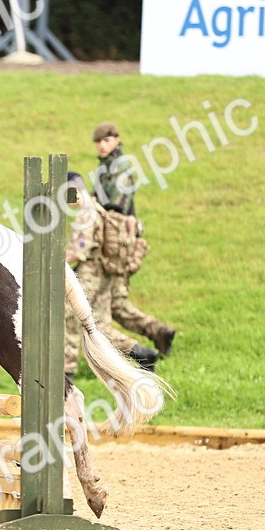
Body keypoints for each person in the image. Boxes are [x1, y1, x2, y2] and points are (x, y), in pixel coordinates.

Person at [92, 121, 177, 357]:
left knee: (114, 303)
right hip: (112, 240)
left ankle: (140, 351)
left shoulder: (120, 168)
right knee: (117, 304)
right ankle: (158, 332)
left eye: (106, 140)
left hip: (118, 242)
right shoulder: (105, 168)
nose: (101, 145)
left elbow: (115, 206)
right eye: (98, 141)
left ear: (117, 140)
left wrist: (92, 206)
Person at [64, 172, 159, 375]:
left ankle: (67, 370)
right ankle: (141, 353)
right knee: (99, 325)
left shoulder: (86, 214)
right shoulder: (98, 208)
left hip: (91, 276)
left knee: (69, 314)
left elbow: (80, 250)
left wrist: (56, 260)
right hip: (104, 274)